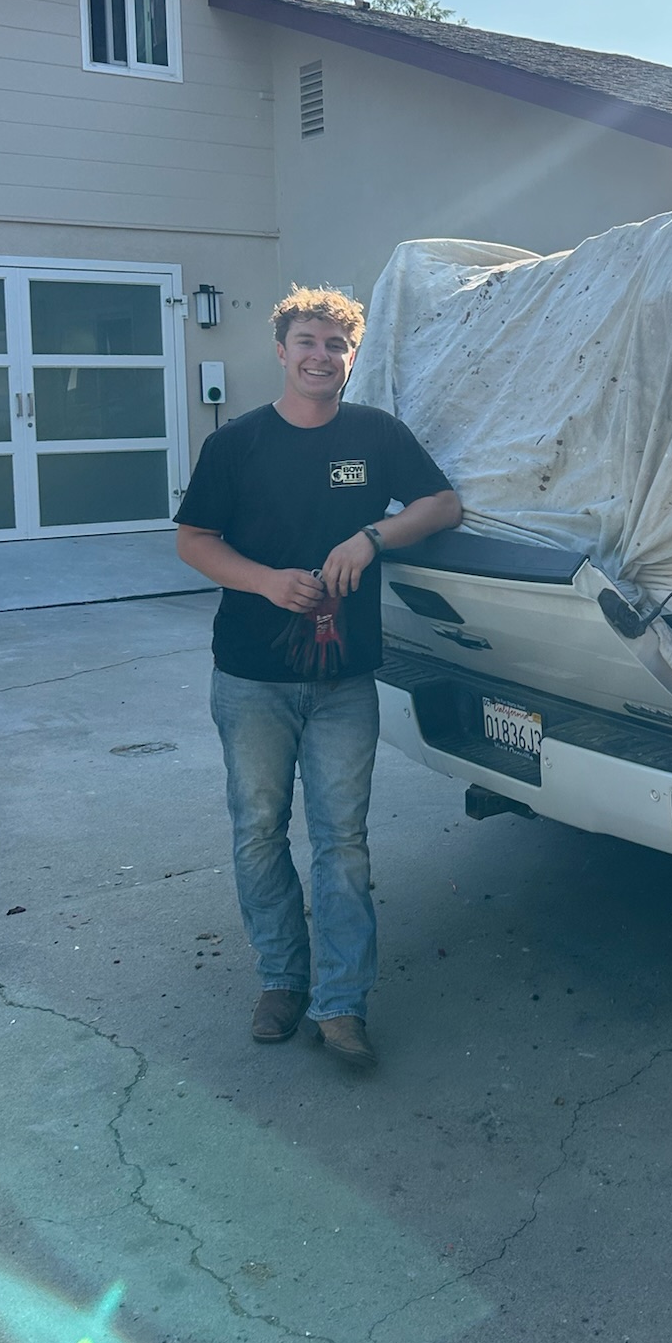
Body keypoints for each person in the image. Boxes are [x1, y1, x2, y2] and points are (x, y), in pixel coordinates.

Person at [176, 287, 462, 1070]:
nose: (320, 356)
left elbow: (442, 504)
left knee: (343, 843)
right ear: (281, 350)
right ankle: (281, 980)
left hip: (345, 681)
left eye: (336, 344)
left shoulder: (376, 434)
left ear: (351, 356)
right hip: (251, 679)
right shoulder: (236, 444)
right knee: (259, 831)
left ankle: (341, 1003)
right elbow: (194, 540)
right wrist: (266, 581)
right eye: (307, 341)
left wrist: (372, 536)